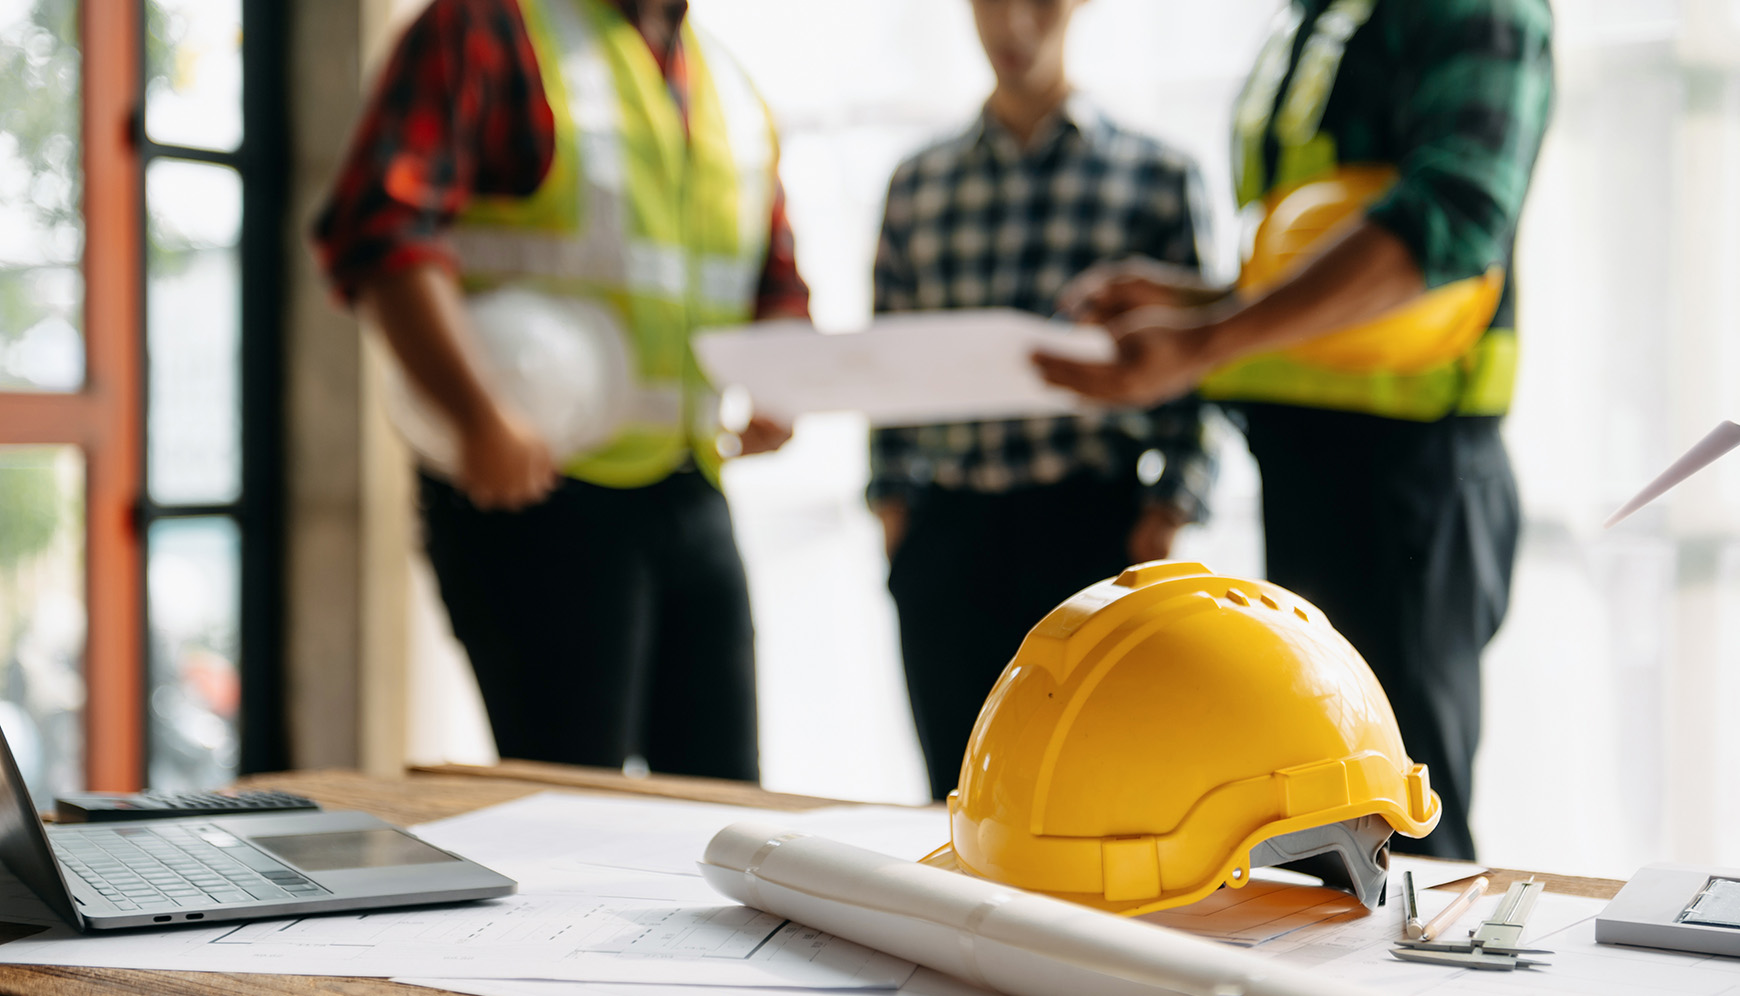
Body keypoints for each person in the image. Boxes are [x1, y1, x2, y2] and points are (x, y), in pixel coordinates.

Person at [1036, 0, 1554, 859]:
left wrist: (1206, 340)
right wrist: (1194, 301)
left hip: (1410, 478)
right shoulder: (1318, 17)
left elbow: (1454, 219)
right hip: (1312, 469)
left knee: (1406, 833)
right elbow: (1312, 262)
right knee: (1331, 830)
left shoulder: (1475, 10)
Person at [312, 0, 809, 781]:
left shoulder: (731, 89)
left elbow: (775, 277)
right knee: (573, 813)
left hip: (690, 487)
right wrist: (478, 415)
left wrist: (782, 373)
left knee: (726, 807)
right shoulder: (487, 27)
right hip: (538, 498)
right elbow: (383, 230)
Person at [872, 0, 1218, 801]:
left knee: (1101, 796)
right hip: (948, 532)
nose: (1014, 27)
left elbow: (1198, 369)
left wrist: (1170, 510)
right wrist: (894, 516)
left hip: (1093, 530)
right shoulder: (916, 183)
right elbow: (890, 364)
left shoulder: (1158, 175)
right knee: (959, 796)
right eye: (993, 3)